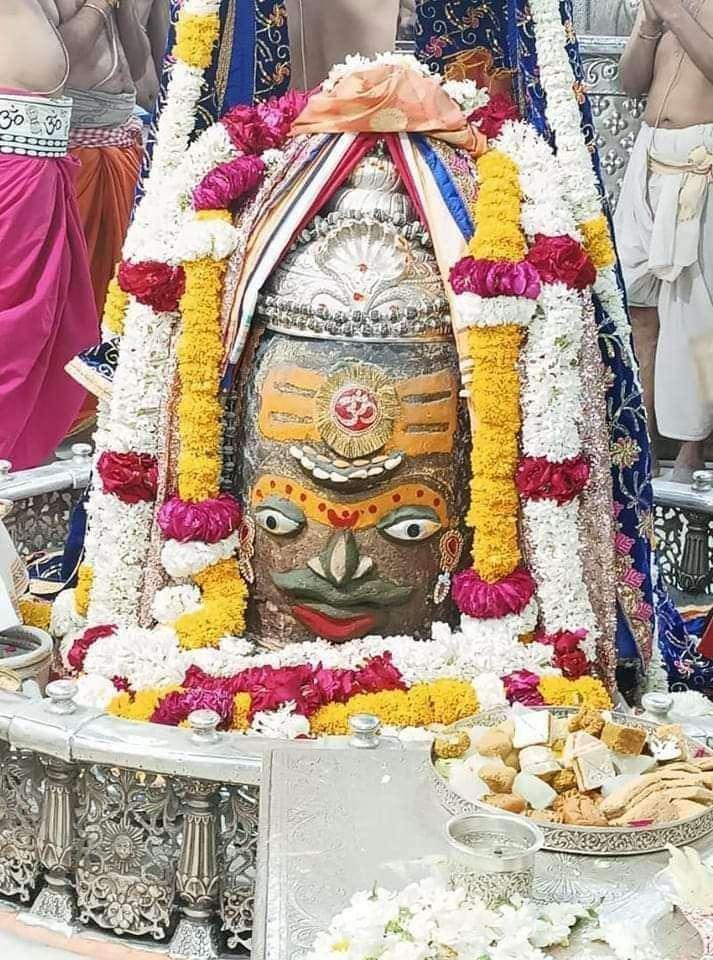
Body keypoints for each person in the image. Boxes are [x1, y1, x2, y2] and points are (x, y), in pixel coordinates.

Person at [615, 0, 713, 481]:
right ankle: (647, 441)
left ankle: (692, 450)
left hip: (701, 161)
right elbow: (631, 82)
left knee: (698, 317)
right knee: (637, 303)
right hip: (649, 155)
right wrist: (650, 24)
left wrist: (674, 15)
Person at [0, 0, 97, 470]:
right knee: (14, 323)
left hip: (36, 164)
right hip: (11, 166)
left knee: (45, 323)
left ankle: (15, 459)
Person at [56, 0, 168, 319]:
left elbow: (137, 66)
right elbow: (59, 59)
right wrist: (98, 5)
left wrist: (123, 11)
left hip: (122, 144)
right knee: (77, 287)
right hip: (76, 150)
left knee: (124, 279)